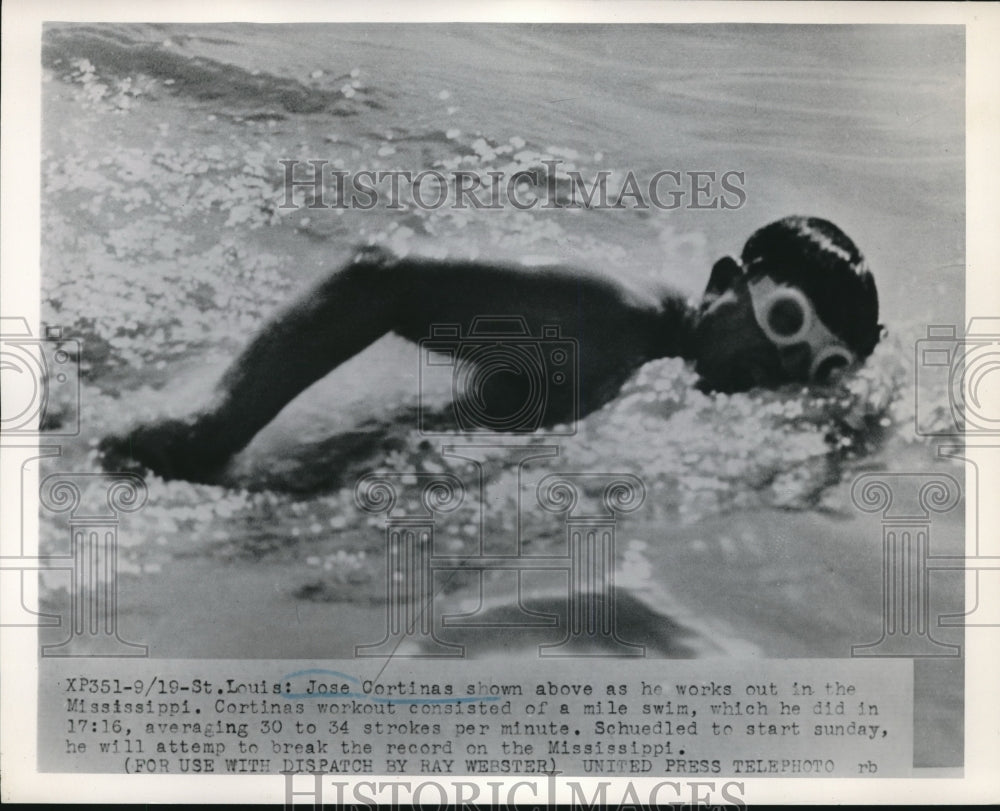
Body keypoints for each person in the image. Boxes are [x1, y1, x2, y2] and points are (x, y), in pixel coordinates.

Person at [98, 215, 881, 483]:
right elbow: (382, 278)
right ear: (724, 285)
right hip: (218, 475)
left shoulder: (652, 361)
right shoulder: (610, 322)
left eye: (812, 365)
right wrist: (216, 426)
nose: (774, 368)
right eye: (784, 320)